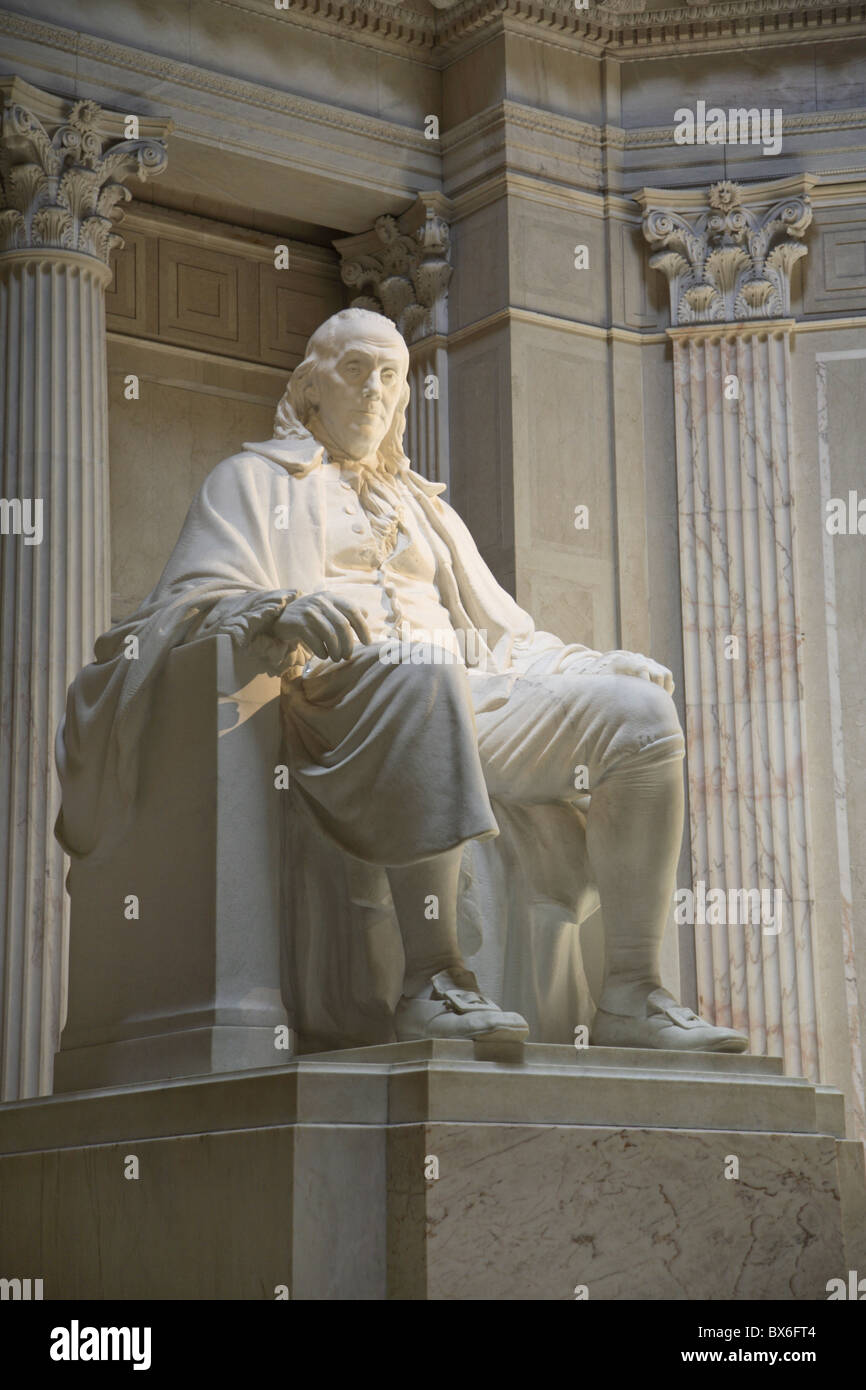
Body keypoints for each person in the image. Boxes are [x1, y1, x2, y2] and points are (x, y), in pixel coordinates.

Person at [56, 307, 747, 1053]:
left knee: (638, 715)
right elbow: (177, 610)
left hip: (455, 693)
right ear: (310, 387)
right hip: (325, 702)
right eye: (356, 371)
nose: (375, 391)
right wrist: (273, 610)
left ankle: (632, 992)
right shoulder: (252, 482)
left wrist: (594, 666)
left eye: (391, 376)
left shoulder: (422, 507)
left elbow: (501, 633)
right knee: (426, 671)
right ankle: (435, 978)